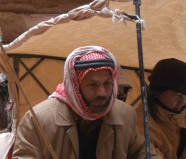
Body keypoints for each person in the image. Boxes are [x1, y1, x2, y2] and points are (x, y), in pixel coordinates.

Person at [13, 45, 152, 158]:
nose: (102, 93)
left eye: (107, 84)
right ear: (75, 86)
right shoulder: (39, 120)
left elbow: (141, 152)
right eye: (93, 85)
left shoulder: (125, 115)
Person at [144, 58, 186, 159]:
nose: (183, 101)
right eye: (177, 95)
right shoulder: (143, 126)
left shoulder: (182, 117)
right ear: (158, 92)